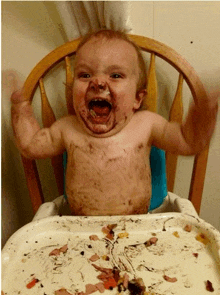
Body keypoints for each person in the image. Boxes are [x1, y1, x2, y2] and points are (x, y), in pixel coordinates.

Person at [11, 29, 218, 216]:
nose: (99, 82)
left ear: (138, 98)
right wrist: (21, 108)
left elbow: (188, 141)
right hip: (77, 233)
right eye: (85, 74)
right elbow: (30, 146)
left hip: (139, 230)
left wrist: (203, 114)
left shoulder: (147, 124)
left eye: (115, 75)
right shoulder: (67, 128)